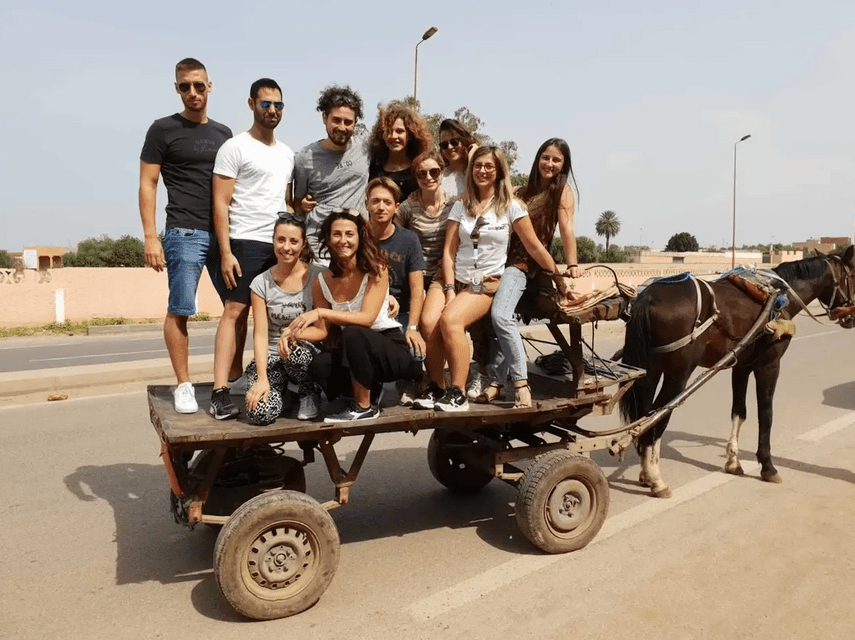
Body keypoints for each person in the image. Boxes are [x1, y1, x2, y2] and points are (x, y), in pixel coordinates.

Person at [415, 146, 560, 412]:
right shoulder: (461, 205)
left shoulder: (512, 207)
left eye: (488, 166)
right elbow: (449, 251)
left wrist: (560, 276)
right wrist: (448, 289)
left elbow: (535, 247)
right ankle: (437, 387)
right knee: (427, 323)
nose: (482, 171)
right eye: (478, 166)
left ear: (499, 172)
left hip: (483, 282)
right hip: (449, 277)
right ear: (471, 171)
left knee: (450, 321)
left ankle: (457, 392)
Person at [139, 58, 232, 414]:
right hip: (184, 231)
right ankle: (184, 385)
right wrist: (151, 236)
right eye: (184, 86)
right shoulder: (162, 130)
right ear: (177, 89)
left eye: (198, 85)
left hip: (224, 234)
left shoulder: (223, 134)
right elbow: (148, 183)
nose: (192, 92)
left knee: (235, 307)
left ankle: (231, 378)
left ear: (210, 86)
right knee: (181, 309)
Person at [209, 78, 295, 420]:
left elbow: (285, 201)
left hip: (278, 245)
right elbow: (220, 201)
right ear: (251, 105)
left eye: (278, 105)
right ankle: (219, 391)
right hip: (244, 240)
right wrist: (226, 251)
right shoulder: (235, 147)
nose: (272, 110)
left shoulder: (287, 153)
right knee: (235, 311)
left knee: (273, 318)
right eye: (265, 104)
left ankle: (258, 380)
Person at [286, 209, 422, 422]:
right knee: (319, 364)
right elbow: (322, 332)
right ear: (328, 239)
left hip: (389, 348)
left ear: (360, 237)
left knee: (353, 332)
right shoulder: (321, 280)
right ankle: (367, 389)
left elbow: (367, 319)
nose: (343, 240)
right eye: (337, 234)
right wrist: (292, 333)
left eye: (349, 234)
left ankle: (364, 406)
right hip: (354, 353)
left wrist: (321, 311)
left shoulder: (376, 269)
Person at [482, 138, 581, 407]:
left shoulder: (561, 193)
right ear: (538, 159)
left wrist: (571, 265)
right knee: (487, 320)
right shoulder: (520, 192)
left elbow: (567, 230)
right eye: (545, 158)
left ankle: (519, 383)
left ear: (563, 166)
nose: (549, 164)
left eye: (556, 160)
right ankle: (495, 381)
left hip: (524, 266)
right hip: (498, 265)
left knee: (500, 316)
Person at [243, 215, 323, 425]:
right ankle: (285, 395)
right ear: (273, 241)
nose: (286, 247)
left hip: (303, 355)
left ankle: (307, 392)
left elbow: (323, 330)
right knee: (259, 413)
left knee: (296, 353)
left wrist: (293, 333)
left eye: (293, 241)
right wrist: (262, 379)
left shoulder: (318, 277)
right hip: (272, 357)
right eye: (281, 240)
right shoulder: (261, 283)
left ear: (303, 244)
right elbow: (260, 334)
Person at [292, 85, 371, 263]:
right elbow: (298, 205)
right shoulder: (305, 157)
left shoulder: (366, 148)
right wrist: (303, 205)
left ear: (355, 122)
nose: (342, 127)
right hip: (320, 249)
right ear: (324, 118)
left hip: (357, 246)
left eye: (348, 122)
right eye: (336, 120)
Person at [366, 177, 427, 406]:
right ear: (367, 204)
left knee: (414, 352)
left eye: (387, 202)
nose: (381, 207)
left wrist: (413, 327)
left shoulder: (408, 239)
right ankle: (372, 383)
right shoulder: (357, 236)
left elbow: (417, 287)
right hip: (368, 312)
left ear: (396, 207)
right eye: (375, 201)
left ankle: (409, 379)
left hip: (400, 315)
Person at [368, 102, 434, 200]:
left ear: (410, 134)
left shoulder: (420, 168)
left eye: (399, 131)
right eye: (388, 131)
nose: (394, 136)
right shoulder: (374, 167)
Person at [438, 119, 478, 201]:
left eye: (454, 142)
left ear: (463, 141)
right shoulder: (438, 175)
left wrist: (473, 154)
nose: (450, 147)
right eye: (444, 144)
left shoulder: (477, 173)